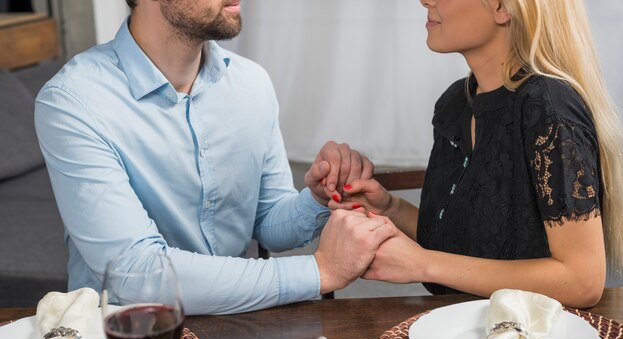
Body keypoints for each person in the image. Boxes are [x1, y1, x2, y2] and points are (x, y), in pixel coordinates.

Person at [34, 0, 396, 315]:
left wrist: (317, 198)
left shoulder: (252, 83)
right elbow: (137, 275)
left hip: (243, 320)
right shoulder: (73, 101)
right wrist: (319, 272)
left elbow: (268, 222)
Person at [330, 0, 623, 308]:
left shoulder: (547, 108)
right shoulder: (455, 102)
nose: (424, 1)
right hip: (458, 331)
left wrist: (423, 263)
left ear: (502, 8)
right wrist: (391, 208)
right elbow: (468, 242)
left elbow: (582, 281)